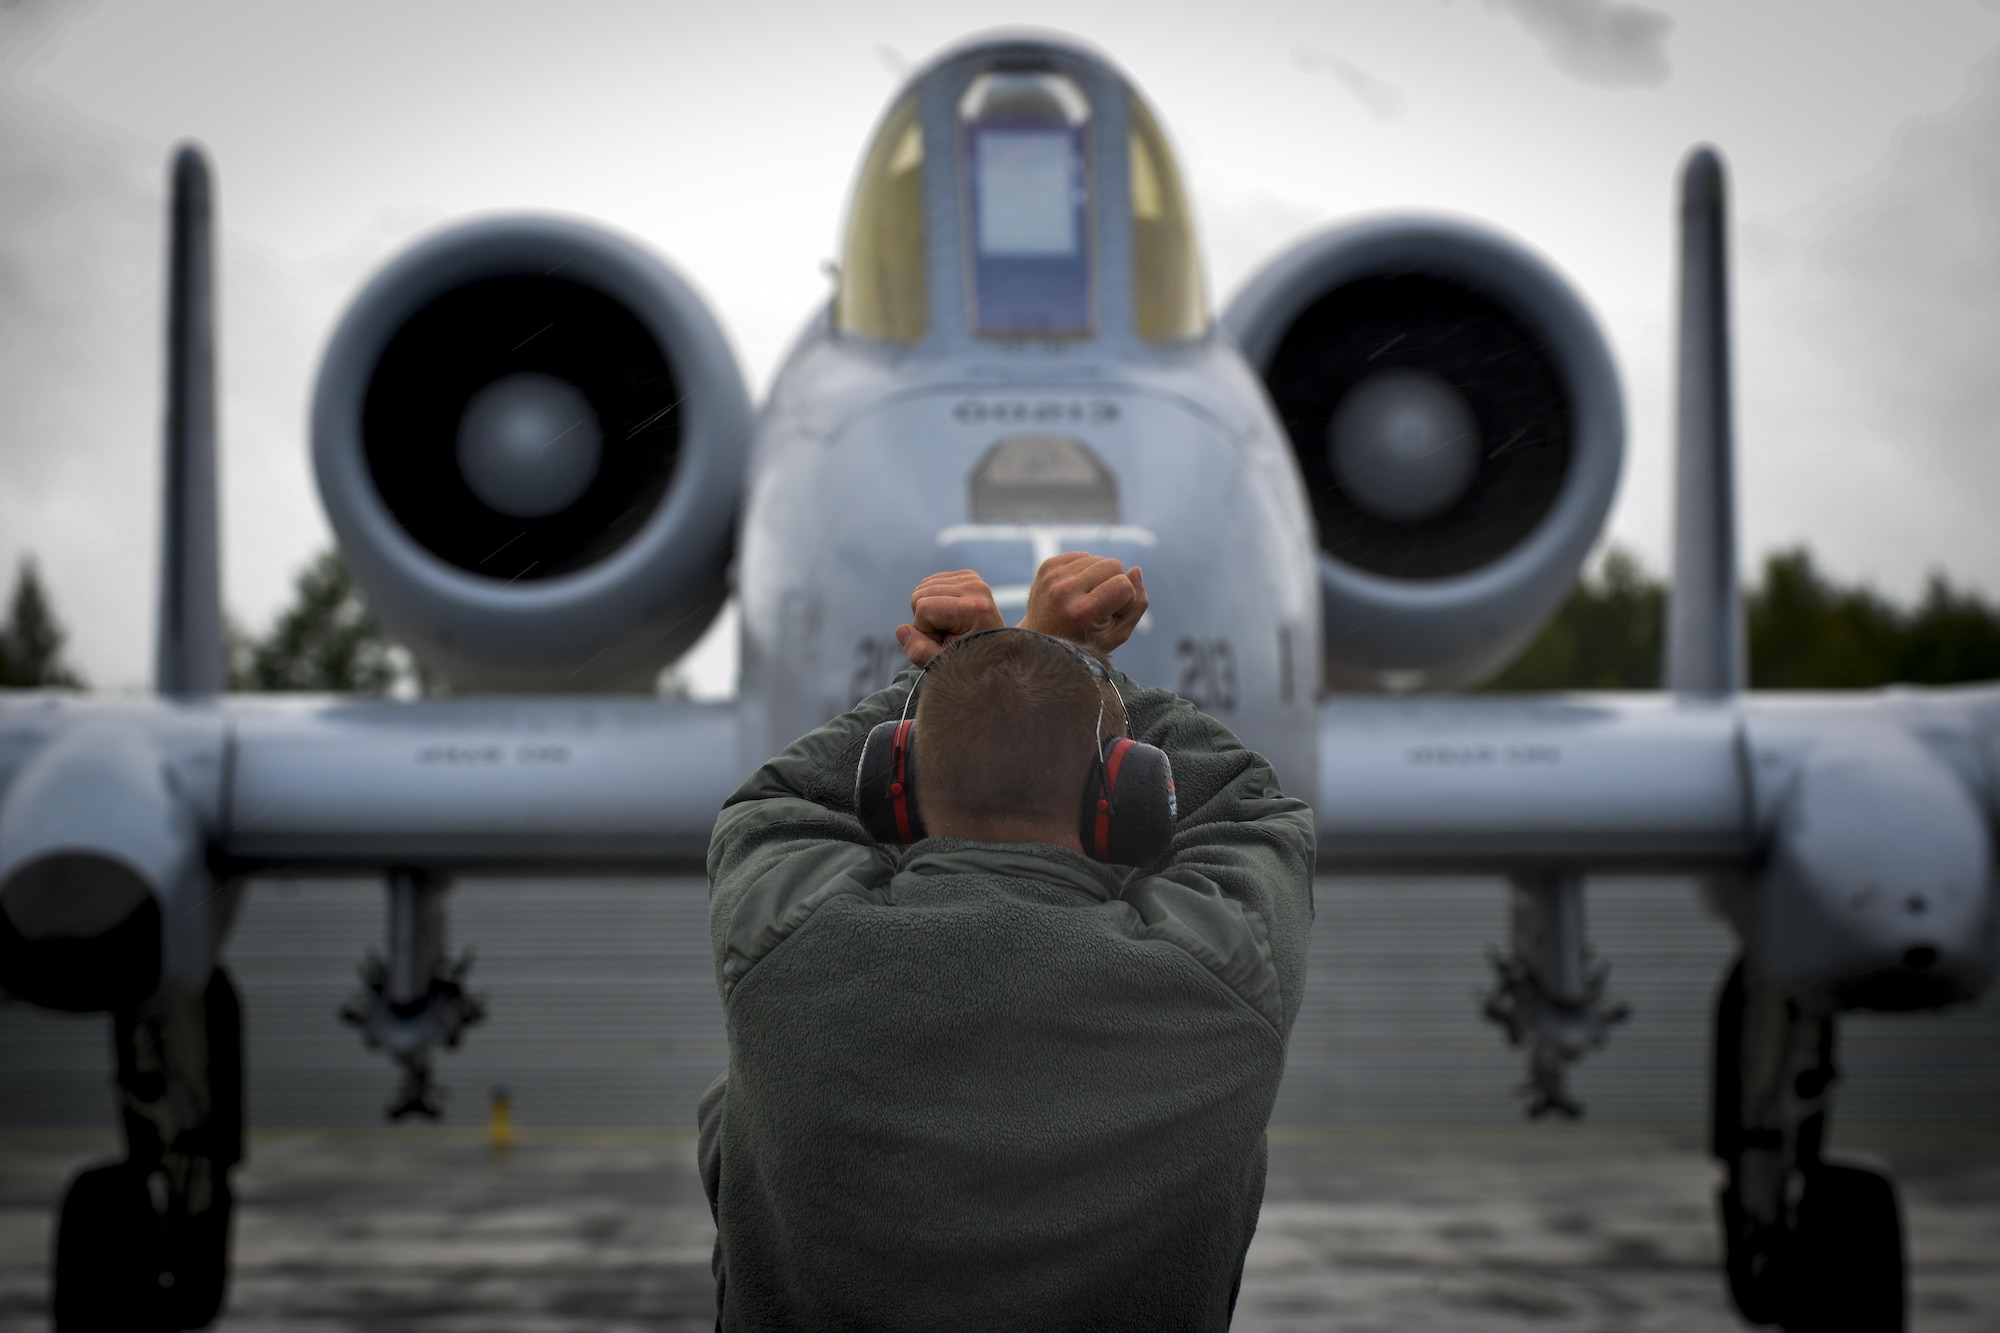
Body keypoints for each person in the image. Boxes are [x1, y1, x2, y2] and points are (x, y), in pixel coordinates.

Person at [699, 552, 1315, 1331]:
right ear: (1121, 792)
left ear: (895, 776)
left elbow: (778, 797)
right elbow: (1252, 807)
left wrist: (972, 672)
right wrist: (1067, 664)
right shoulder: (1218, 971)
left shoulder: (784, 937)